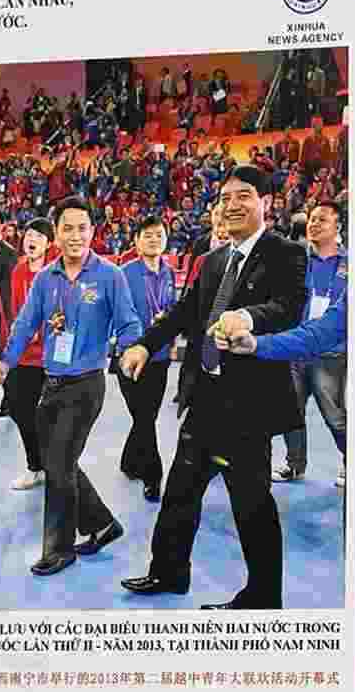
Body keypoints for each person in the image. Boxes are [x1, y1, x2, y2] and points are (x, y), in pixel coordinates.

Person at [119, 166, 305, 608]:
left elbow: (288, 307)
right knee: (179, 492)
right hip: (205, 397)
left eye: (244, 195)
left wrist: (248, 317)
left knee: (251, 504)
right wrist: (145, 345)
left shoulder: (286, 253)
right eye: (226, 198)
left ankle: (263, 597)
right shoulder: (214, 260)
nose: (233, 205)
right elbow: (184, 313)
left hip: (249, 405)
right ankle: (168, 572)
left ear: (266, 202)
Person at [0, 202, 140, 577]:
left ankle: (58, 550)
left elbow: (129, 323)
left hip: (86, 385)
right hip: (51, 382)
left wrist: (131, 350)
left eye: (82, 228)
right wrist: (6, 363)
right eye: (68, 229)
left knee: (57, 465)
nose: (76, 236)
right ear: (56, 234)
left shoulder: (109, 275)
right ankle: (102, 524)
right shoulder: (45, 279)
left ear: (93, 231)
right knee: (58, 460)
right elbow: (25, 324)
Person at [277, 201, 348, 487]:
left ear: (338, 227)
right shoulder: (296, 259)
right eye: (312, 219)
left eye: (322, 220)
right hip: (297, 348)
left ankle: (352, 465)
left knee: (335, 416)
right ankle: (294, 464)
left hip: (331, 352)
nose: (314, 224)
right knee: (290, 413)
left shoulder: (352, 263)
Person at [115, 218, 180, 498]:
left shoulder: (168, 272)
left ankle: (129, 461)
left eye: (159, 235)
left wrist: (170, 338)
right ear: (137, 241)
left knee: (146, 416)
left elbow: (172, 309)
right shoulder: (123, 273)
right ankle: (153, 475)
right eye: (148, 235)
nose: (154, 240)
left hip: (160, 355)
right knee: (143, 415)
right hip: (129, 355)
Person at [0, 216, 55, 490]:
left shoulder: (57, 271)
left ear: (49, 244)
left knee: (52, 416)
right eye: (29, 235)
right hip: (24, 353)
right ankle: (35, 466)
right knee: (20, 408)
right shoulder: (18, 271)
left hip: (52, 355)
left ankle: (53, 466)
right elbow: (15, 311)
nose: (32, 240)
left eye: (39, 236)